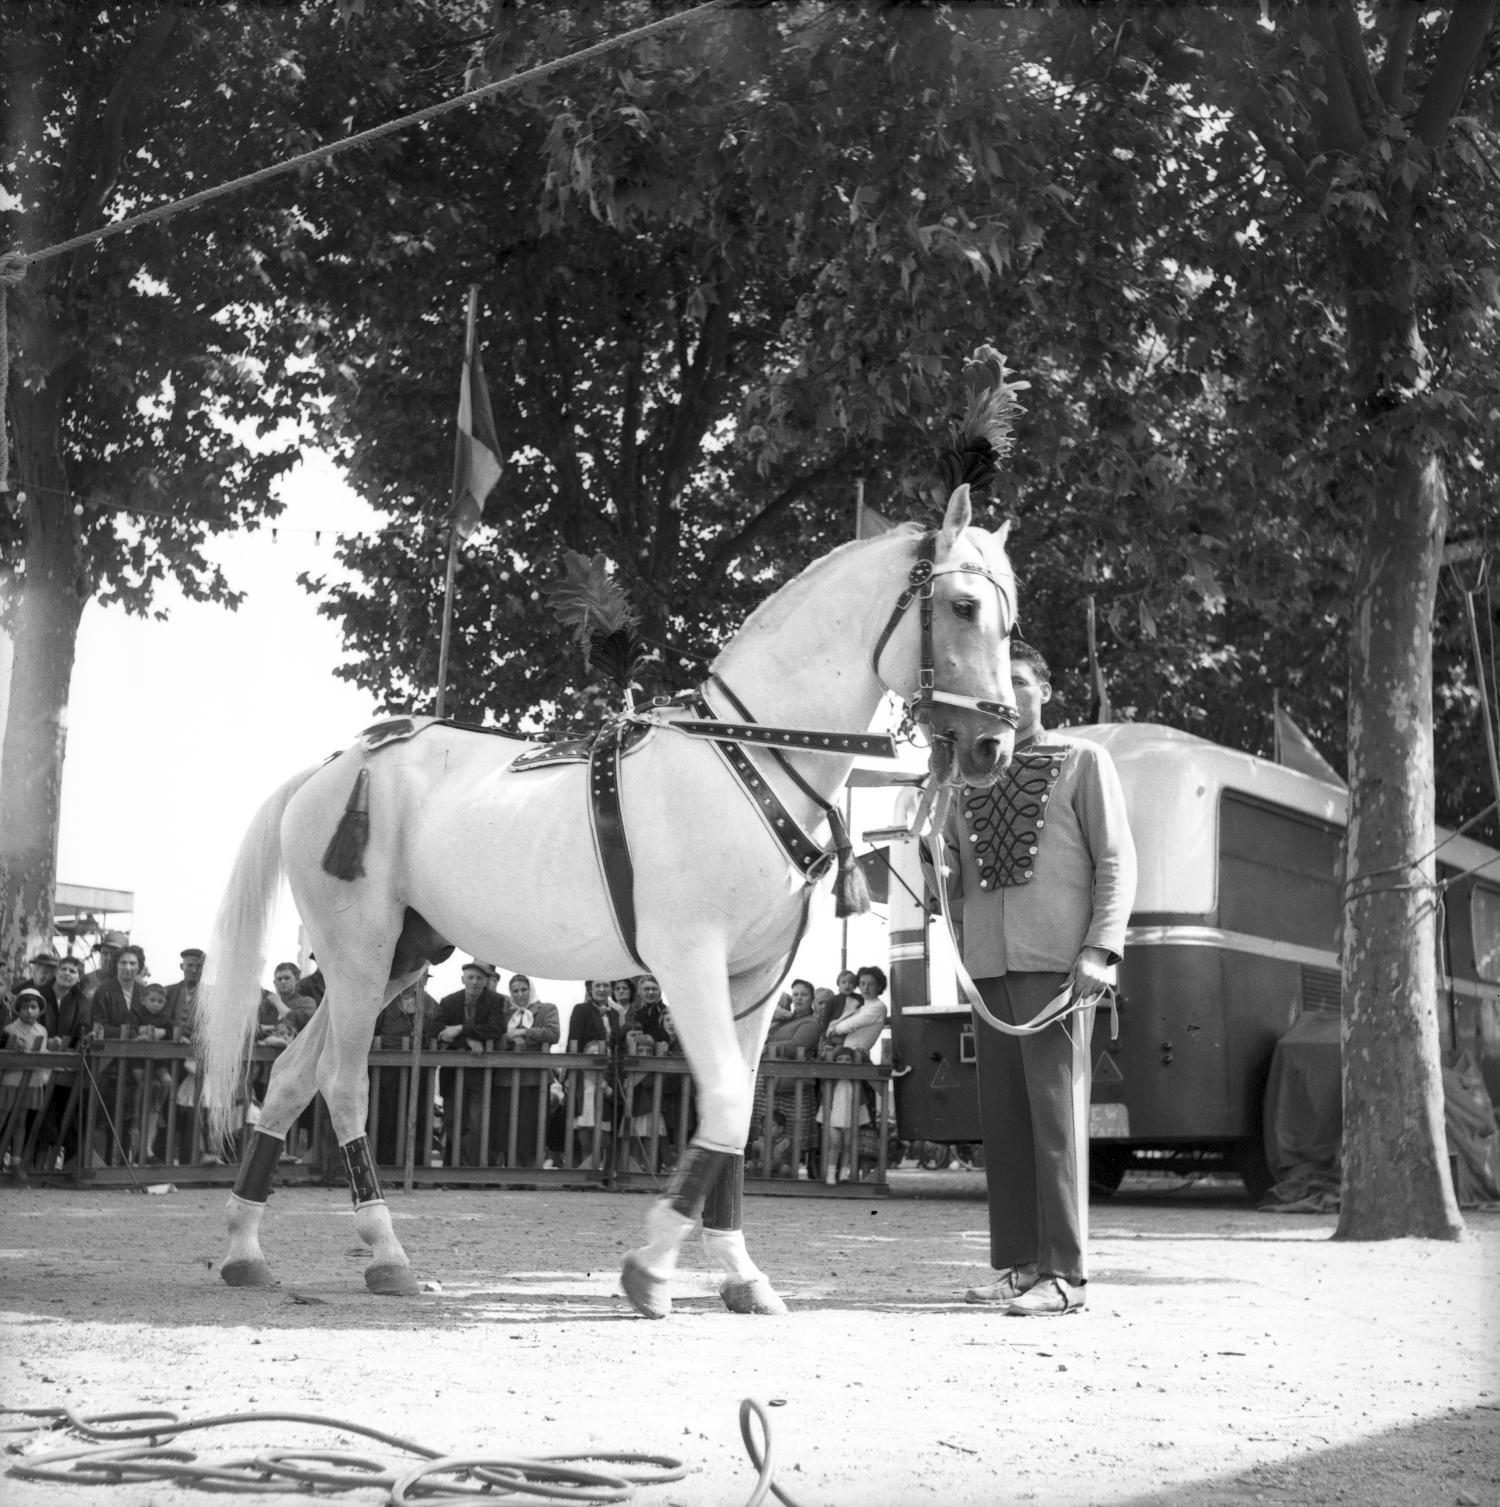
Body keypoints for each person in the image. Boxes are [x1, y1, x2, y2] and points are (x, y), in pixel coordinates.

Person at [936, 639, 1136, 1317]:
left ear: (1044, 690)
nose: (1009, 692)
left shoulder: (1084, 760)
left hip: (1057, 966)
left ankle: (1067, 1274)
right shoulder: (971, 777)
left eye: (1020, 680)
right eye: (999, 682)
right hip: (988, 967)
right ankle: (1022, 1263)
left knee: (1056, 1122)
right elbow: (955, 882)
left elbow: (1115, 861)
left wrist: (1099, 951)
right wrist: (932, 836)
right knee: (1008, 1123)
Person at [817, 965, 888, 1184]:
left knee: (861, 1120)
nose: (866, 987)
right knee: (840, 1114)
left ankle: (860, 1173)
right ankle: (838, 1172)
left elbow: (846, 1026)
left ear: (879, 986)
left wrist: (833, 1028)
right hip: (845, 1059)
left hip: (859, 1059)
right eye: (863, 983)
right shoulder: (861, 1004)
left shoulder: (876, 1007)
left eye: (871, 984)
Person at [434, 961, 504, 1165]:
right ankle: (451, 1169)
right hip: (452, 1072)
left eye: (479, 978)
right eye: (471, 977)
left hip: (480, 1072)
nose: (475, 982)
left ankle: (470, 1171)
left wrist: (460, 1029)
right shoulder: (448, 1001)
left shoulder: (495, 1001)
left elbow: (496, 1028)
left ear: (486, 982)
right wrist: (466, 1038)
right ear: (462, 979)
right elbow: (436, 1029)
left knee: (476, 1122)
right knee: (453, 1121)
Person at [1, 988, 51, 1174]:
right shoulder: (10, 1029)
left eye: (33, 1007)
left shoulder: (42, 1030)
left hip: (31, 1082)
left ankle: (16, 1160)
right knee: (3, 1117)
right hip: (11, 1081)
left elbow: (42, 1055)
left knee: (21, 1121)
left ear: (39, 1009)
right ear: (18, 1009)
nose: (29, 1011)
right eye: (24, 1007)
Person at [165, 948, 205, 1042]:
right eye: (190, 965)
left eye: (199, 966)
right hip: (171, 1046)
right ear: (182, 966)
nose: (194, 970)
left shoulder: (211, 995)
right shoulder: (168, 991)